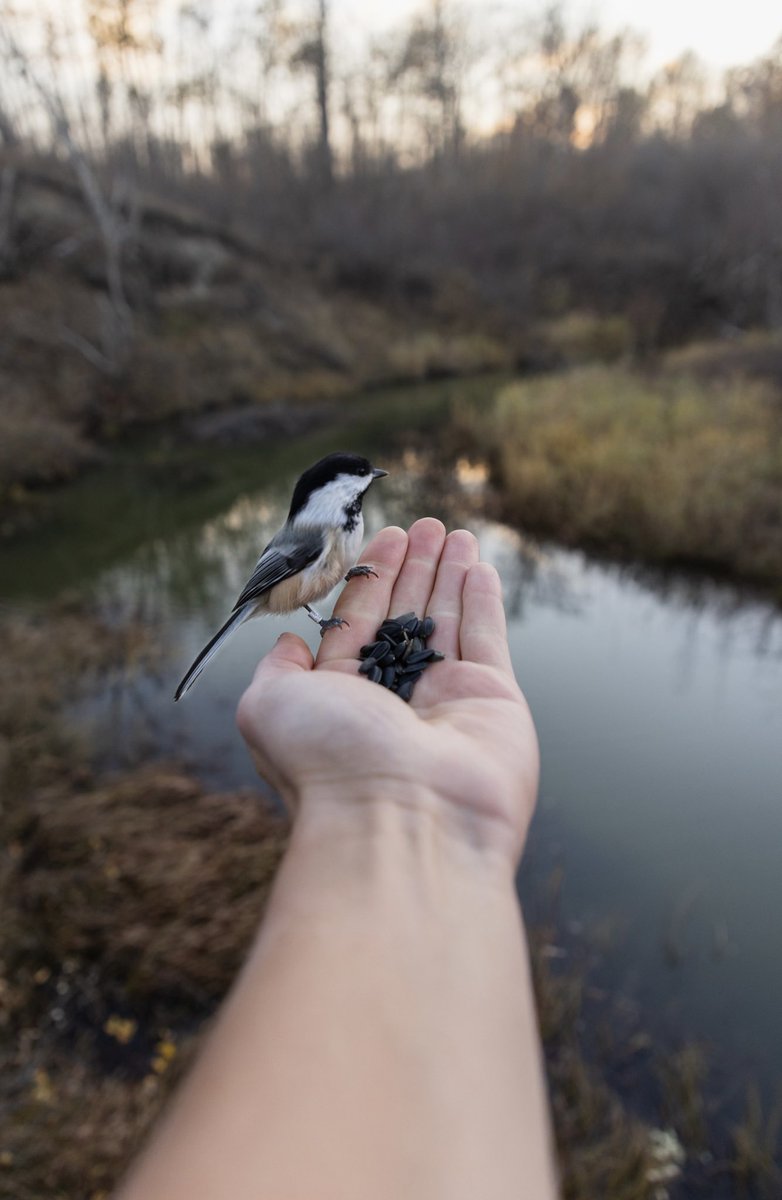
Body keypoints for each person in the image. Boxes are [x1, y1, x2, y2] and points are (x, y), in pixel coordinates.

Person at [116, 518, 559, 1200]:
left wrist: (398, 811)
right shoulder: (309, 535)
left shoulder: (335, 553)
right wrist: (407, 812)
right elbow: (283, 586)